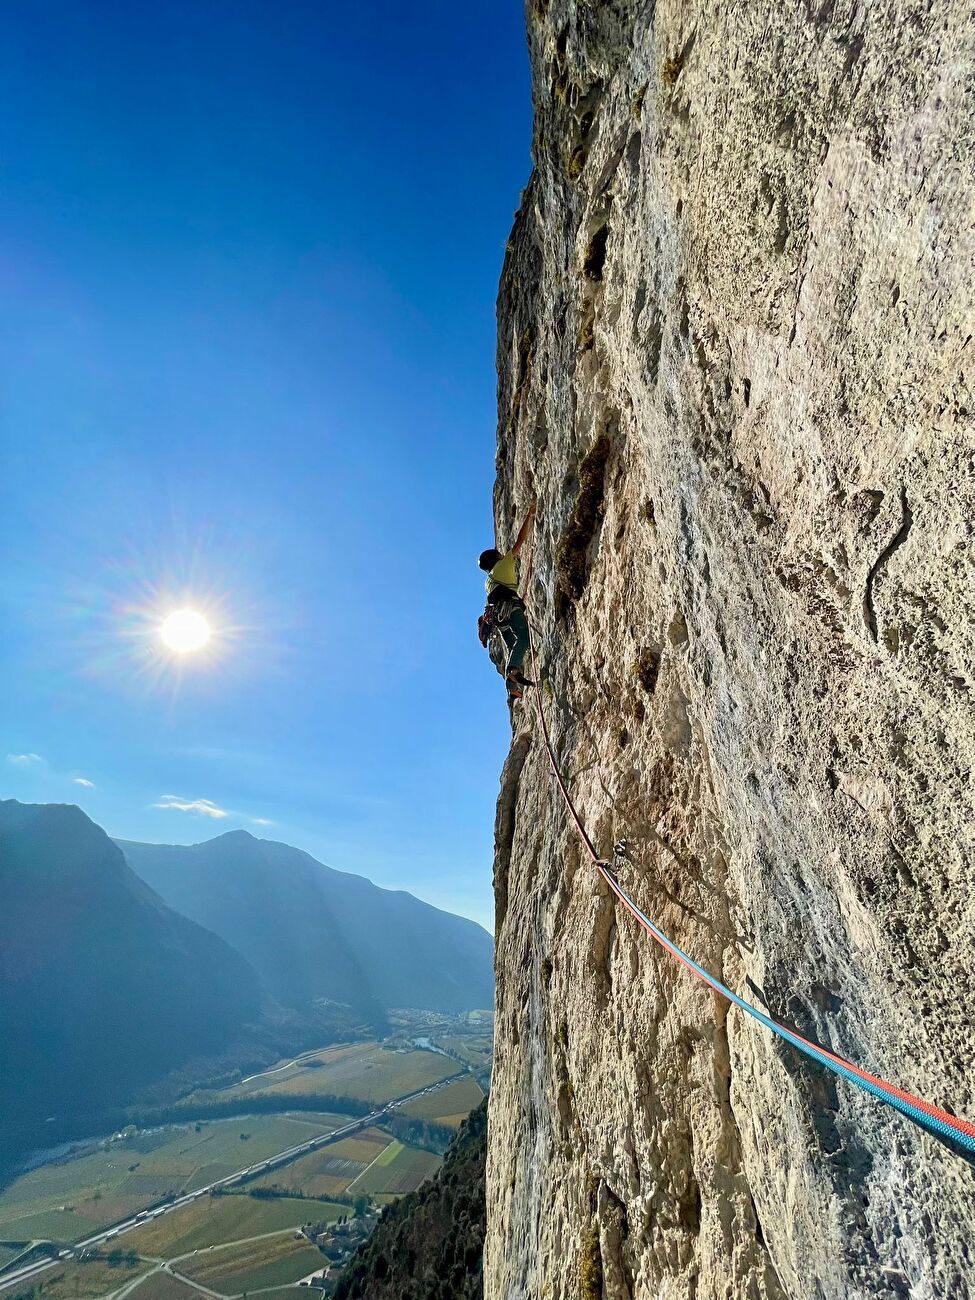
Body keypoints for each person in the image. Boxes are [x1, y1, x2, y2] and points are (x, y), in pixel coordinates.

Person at [478, 504, 535, 704]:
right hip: (509, 609)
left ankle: (513, 689)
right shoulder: (503, 565)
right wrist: (529, 516)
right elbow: (520, 541)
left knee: (513, 646)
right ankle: (512, 672)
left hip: (497, 618)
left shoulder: (489, 580)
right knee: (524, 639)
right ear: (497, 558)